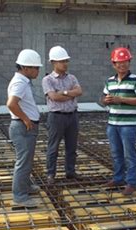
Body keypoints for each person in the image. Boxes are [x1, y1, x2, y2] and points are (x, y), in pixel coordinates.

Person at [101, 47, 136, 196]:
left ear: (129, 62)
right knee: (116, 153)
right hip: (112, 124)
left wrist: (121, 99)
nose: (122, 65)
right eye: (119, 63)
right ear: (113, 64)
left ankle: (131, 182)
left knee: (130, 155)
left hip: (128, 125)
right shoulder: (110, 81)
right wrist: (106, 101)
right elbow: (102, 99)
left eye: (125, 62)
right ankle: (118, 178)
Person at [7, 49, 43, 207]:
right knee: (23, 162)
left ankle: (26, 186)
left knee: (27, 161)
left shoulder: (23, 81)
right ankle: (20, 196)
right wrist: (26, 119)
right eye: (36, 68)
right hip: (22, 127)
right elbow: (11, 104)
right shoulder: (20, 82)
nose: (38, 71)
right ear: (25, 68)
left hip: (24, 127)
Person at [42, 46, 83, 184]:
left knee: (72, 146)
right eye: (62, 61)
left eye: (66, 60)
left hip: (72, 116)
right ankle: (50, 174)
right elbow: (54, 97)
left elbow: (78, 91)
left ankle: (70, 172)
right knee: (53, 147)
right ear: (53, 62)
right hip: (56, 117)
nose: (65, 63)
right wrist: (69, 94)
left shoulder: (72, 77)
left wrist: (64, 93)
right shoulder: (48, 80)